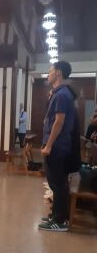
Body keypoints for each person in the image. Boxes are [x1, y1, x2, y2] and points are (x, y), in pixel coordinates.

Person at [39, 60, 80, 232]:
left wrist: (48, 146)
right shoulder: (59, 93)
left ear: (58, 73)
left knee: (58, 183)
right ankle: (56, 214)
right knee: (56, 182)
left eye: (50, 71)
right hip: (56, 145)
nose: (48, 74)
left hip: (57, 146)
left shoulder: (62, 94)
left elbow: (59, 122)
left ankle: (60, 221)